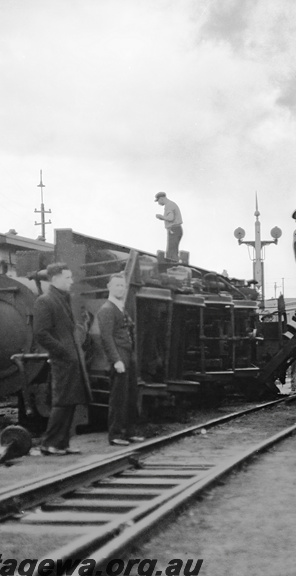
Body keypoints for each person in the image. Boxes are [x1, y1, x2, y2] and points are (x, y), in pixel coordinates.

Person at [33, 262, 92, 455]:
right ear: (56, 279)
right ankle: (49, 443)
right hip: (63, 359)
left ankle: (62, 443)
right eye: (68, 278)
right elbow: (41, 333)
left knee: (71, 400)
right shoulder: (45, 300)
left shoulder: (63, 299)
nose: (71, 281)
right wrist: (62, 351)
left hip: (72, 359)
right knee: (62, 402)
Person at [96, 273, 144, 446]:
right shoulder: (107, 310)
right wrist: (116, 360)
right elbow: (106, 338)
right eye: (117, 285)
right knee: (119, 398)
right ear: (109, 287)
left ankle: (129, 432)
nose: (120, 289)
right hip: (119, 358)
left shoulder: (120, 308)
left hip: (127, 356)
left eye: (122, 286)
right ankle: (116, 434)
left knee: (130, 396)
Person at [155, 191, 183, 261]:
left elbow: (171, 218)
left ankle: (173, 267)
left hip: (173, 229)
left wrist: (161, 217)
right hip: (177, 229)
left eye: (158, 201)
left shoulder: (169, 206)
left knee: (171, 252)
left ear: (161, 198)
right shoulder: (171, 204)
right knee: (173, 250)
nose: (158, 203)